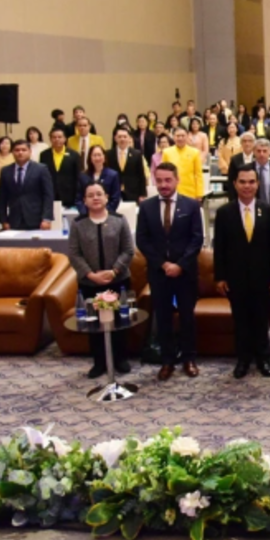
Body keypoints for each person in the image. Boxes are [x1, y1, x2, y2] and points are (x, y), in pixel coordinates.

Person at [136, 162, 205, 381]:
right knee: (163, 317)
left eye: (168, 180)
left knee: (187, 317)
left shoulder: (191, 206)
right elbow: (142, 240)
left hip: (185, 273)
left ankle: (189, 359)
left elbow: (197, 239)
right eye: (159, 181)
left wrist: (180, 265)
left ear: (177, 180)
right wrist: (164, 265)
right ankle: (167, 361)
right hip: (159, 273)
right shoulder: (146, 207)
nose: (164, 185)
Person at [213, 165, 270, 379]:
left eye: (251, 182)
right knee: (241, 320)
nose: (247, 186)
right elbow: (219, 248)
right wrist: (220, 277)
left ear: (257, 184)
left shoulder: (269, 211)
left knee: (261, 319)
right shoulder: (224, 212)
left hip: (262, 276)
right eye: (242, 182)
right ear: (234, 184)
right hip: (236, 277)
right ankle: (243, 360)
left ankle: (263, 358)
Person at [68, 182, 135, 378]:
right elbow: (74, 254)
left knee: (120, 322)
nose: (95, 198)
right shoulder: (78, 224)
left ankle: (121, 359)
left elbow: (128, 250)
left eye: (99, 194)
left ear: (106, 197)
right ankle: (99, 362)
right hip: (90, 283)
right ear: (84, 200)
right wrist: (90, 275)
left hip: (118, 281)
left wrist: (114, 271)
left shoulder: (119, 220)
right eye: (90, 195)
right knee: (94, 323)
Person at [0, 140, 54, 231]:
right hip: (14, 219)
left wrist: (46, 218)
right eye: (17, 150)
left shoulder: (41, 169)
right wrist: (3, 220)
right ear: (12, 152)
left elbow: (48, 195)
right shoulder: (6, 171)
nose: (20, 153)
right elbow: (2, 198)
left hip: (37, 219)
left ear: (30, 152)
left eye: (24, 150)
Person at [41, 126, 81, 208]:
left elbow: (78, 176)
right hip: (50, 195)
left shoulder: (74, 155)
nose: (57, 139)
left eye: (59, 137)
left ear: (65, 139)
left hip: (69, 196)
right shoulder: (44, 155)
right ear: (50, 139)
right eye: (54, 137)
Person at [76, 145, 122, 215]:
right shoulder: (83, 176)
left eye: (99, 155)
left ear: (104, 157)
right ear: (90, 158)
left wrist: (104, 213)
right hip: (87, 215)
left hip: (107, 215)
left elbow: (115, 199)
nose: (97, 158)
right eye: (94, 155)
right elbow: (79, 199)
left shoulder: (113, 175)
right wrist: (86, 213)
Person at [161, 128, 204, 201]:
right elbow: (163, 174)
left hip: (190, 191)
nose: (180, 138)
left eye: (183, 136)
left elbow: (198, 174)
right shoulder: (166, 152)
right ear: (173, 137)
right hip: (171, 191)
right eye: (178, 136)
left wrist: (199, 193)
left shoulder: (195, 152)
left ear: (187, 137)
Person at [107, 128, 148, 203]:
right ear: (115, 138)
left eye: (125, 137)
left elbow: (141, 175)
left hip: (132, 192)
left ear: (129, 138)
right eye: (119, 137)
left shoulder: (137, 154)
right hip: (114, 192)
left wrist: (142, 194)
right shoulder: (108, 154)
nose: (122, 139)